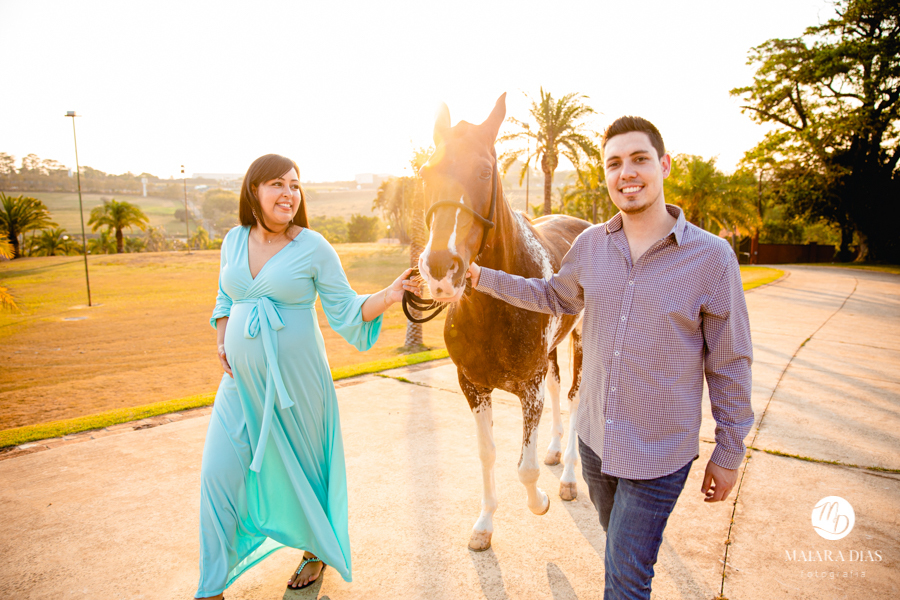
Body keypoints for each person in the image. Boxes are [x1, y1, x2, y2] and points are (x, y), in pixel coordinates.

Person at [466, 117, 753, 599]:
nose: (627, 173)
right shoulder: (591, 245)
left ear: (663, 165)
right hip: (596, 446)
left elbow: (730, 361)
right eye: (614, 163)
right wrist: (482, 278)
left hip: (659, 455)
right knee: (619, 553)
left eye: (639, 159)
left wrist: (729, 450)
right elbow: (555, 297)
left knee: (625, 579)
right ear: (606, 174)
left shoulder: (712, 257)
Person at [196, 154, 415, 599]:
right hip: (240, 386)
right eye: (277, 184)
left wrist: (388, 297)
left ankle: (315, 551)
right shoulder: (233, 242)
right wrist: (223, 338)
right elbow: (224, 298)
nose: (289, 193)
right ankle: (211, 586)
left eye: (295, 185)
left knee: (309, 472)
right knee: (216, 475)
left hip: (299, 387)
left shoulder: (313, 246)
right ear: (253, 190)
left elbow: (347, 310)